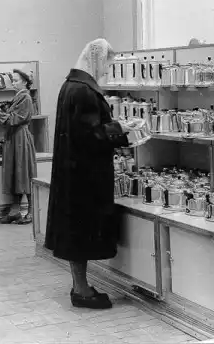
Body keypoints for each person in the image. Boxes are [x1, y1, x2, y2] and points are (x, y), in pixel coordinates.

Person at [45, 39, 130, 309]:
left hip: (73, 172)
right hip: (86, 175)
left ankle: (79, 285)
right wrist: (122, 129)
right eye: (106, 65)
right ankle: (81, 291)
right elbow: (92, 135)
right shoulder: (85, 92)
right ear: (96, 59)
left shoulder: (69, 85)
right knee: (82, 233)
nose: (105, 71)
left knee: (75, 233)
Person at [0, 69, 37, 224]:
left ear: (25, 82)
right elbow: (9, 119)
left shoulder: (25, 97)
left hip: (20, 138)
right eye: (12, 80)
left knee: (24, 173)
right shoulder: (19, 96)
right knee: (16, 173)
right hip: (14, 137)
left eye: (16, 80)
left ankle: (32, 212)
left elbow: (14, 119)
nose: (13, 83)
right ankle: (15, 211)